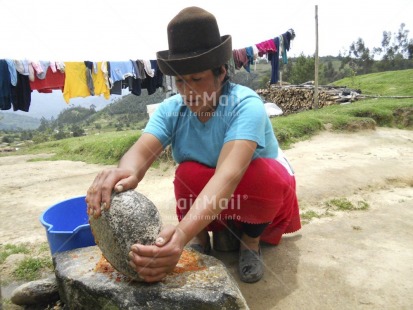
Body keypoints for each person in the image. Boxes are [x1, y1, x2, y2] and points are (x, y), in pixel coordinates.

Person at [85, 6, 301, 284]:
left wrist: (179, 236)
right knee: (187, 172)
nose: (187, 92)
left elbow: (228, 176)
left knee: (264, 173)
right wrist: (122, 172)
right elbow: (139, 155)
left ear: (221, 72)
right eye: (180, 82)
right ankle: (203, 236)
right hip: (212, 201)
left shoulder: (245, 105)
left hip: (255, 198)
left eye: (196, 80)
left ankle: (250, 241)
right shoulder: (172, 109)